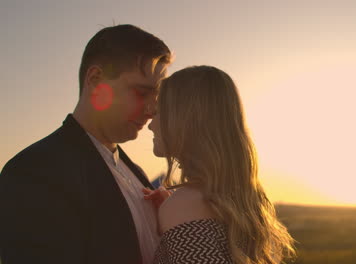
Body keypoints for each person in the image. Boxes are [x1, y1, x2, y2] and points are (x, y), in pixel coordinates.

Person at [0, 24, 172, 264]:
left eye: (156, 97)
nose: (152, 109)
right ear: (95, 79)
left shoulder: (136, 174)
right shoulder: (35, 171)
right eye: (142, 93)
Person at [144, 66, 296, 264]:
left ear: (182, 120)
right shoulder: (239, 199)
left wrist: (179, 209)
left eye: (157, 112)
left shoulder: (185, 206)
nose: (150, 124)